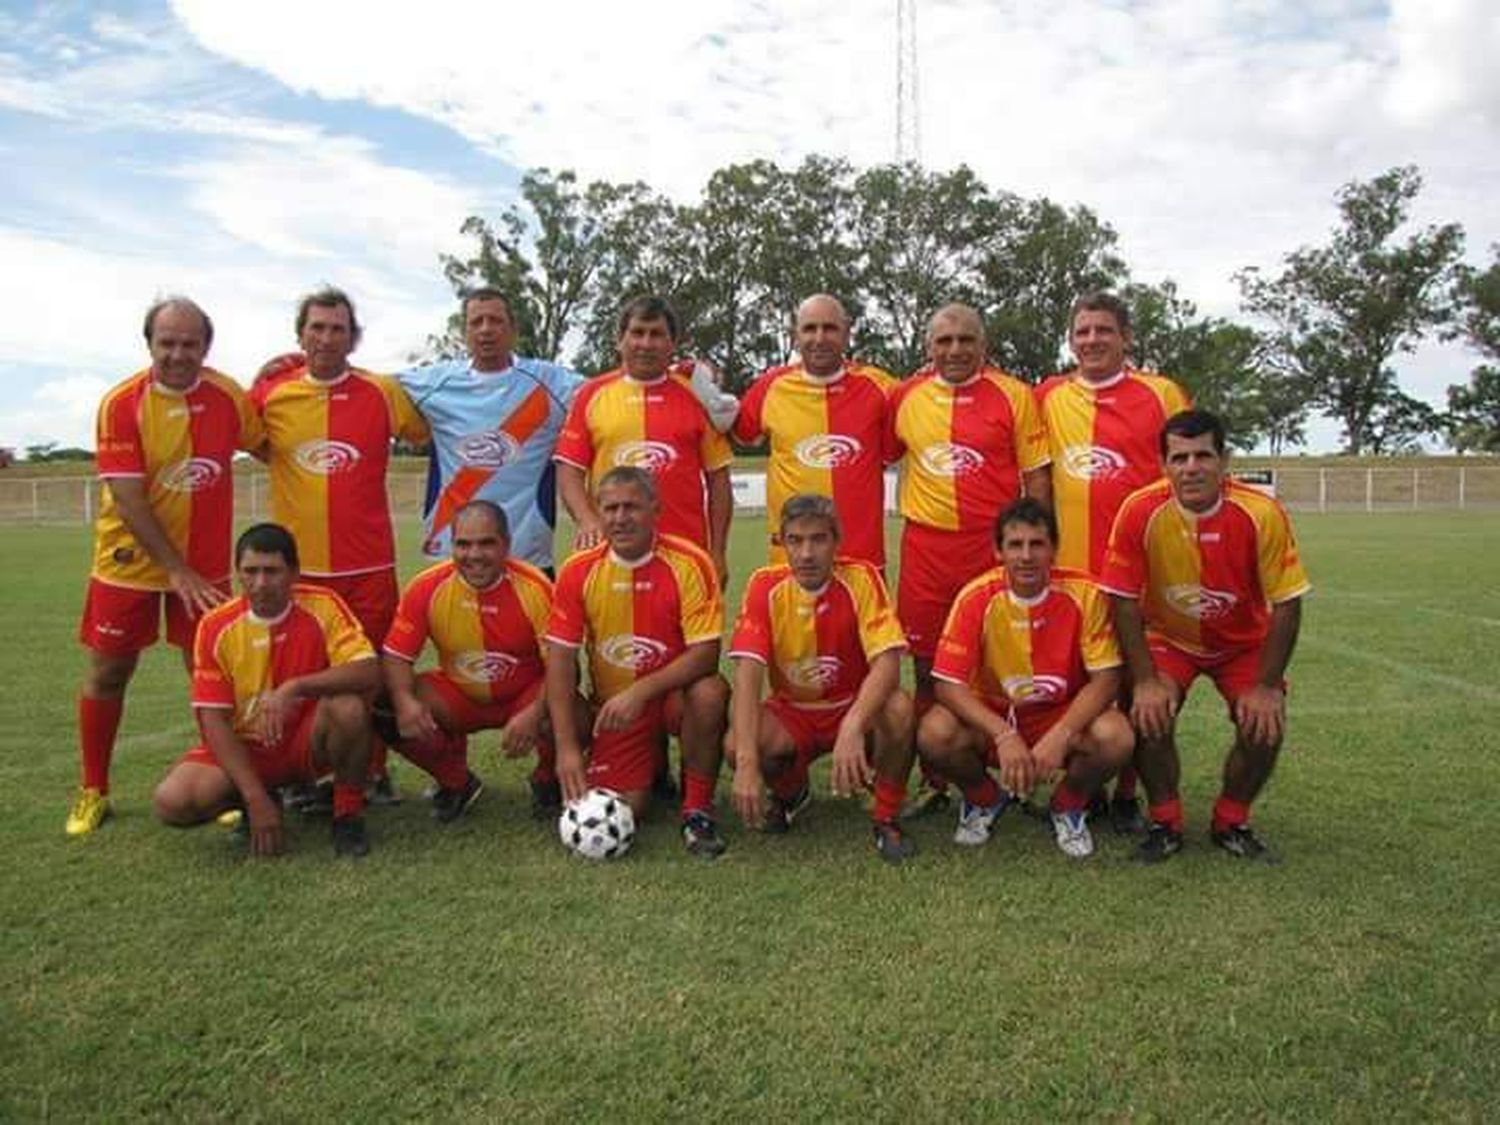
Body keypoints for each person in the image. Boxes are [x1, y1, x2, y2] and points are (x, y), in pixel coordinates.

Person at [67, 297, 264, 837]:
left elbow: (267, 438)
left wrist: (285, 370)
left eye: (189, 344)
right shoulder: (121, 404)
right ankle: (94, 790)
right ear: (149, 343)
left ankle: (220, 782)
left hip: (203, 570)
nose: (178, 354)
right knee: (110, 671)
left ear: (206, 346)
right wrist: (176, 571)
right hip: (126, 564)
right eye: (167, 343)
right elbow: (129, 499)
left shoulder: (227, 397)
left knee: (208, 678)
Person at [1100, 410, 1310, 864]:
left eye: (1202, 456)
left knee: (1264, 725)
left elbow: (1288, 604)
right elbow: (1122, 601)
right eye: (1179, 457)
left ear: (1224, 460)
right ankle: (1166, 822)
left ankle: (1231, 820)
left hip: (1242, 643)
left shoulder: (1261, 513)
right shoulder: (1139, 510)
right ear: (1163, 464)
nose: (1191, 467)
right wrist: (1146, 681)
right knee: (1149, 714)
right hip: (1169, 638)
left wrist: (1267, 686)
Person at [251, 287, 429, 801]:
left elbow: (423, 433)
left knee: (368, 674)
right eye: (317, 327)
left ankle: (371, 772)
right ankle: (303, 775)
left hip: (368, 563)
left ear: (354, 338)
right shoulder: (272, 395)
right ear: (299, 334)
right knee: (299, 675)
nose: (327, 337)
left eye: (338, 329)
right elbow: (251, 440)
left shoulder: (382, 392)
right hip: (299, 569)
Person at [1035, 291, 1191, 832]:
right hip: (1073, 576)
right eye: (1082, 332)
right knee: (1085, 684)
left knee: (1140, 681)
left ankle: (1129, 792)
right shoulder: (1049, 396)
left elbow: (1189, 467)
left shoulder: (1162, 393)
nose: (1092, 340)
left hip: (1145, 572)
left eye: (1103, 330)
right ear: (1071, 339)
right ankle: (1090, 787)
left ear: (1125, 337)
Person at [889, 303, 1052, 816]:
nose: (954, 350)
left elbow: (1038, 478)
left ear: (984, 345)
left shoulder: (1014, 395)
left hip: (991, 549)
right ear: (927, 348)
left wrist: (1040, 544)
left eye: (965, 340)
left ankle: (1012, 764)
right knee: (925, 666)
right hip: (928, 549)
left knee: (999, 661)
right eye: (943, 341)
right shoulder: (904, 396)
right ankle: (936, 779)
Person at [917, 498, 1134, 858]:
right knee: (933, 732)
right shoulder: (975, 597)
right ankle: (985, 799)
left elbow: (1106, 679)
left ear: (1054, 550)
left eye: (1037, 544)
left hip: (1060, 713)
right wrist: (1002, 734)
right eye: (1015, 545)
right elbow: (946, 684)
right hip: (996, 714)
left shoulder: (1086, 593)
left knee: (1117, 736)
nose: (1026, 556)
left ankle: (1068, 805)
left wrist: (1061, 735)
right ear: (998, 551)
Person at [151, 523, 381, 858]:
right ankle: (258, 798)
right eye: (250, 571)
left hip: (306, 741)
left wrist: (295, 687)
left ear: (294, 572)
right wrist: (255, 798)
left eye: (272, 571)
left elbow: (367, 670)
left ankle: (347, 815)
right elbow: (213, 721)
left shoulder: (323, 606)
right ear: (238, 574)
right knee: (173, 801)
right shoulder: (216, 626)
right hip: (249, 747)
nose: (260, 583)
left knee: (348, 707)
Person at [544, 466, 731, 858]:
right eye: (610, 508)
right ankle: (651, 767)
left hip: (670, 698)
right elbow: (560, 661)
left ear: (655, 509)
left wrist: (641, 691)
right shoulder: (578, 570)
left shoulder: (690, 562)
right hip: (615, 710)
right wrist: (566, 749)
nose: (620, 517)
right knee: (630, 806)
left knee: (711, 693)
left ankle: (696, 808)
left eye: (632, 506)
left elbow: (706, 654)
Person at [727, 495, 917, 864]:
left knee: (898, 708)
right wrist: (748, 763)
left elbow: (888, 664)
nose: (807, 553)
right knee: (738, 744)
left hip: (851, 705)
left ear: (836, 542)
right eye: (795, 541)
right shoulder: (765, 586)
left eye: (818, 539)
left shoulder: (861, 578)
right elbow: (748, 675)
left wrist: (853, 725)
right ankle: (791, 793)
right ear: (782, 543)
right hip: (794, 711)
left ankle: (886, 815)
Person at [381, 500, 585, 821]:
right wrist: (405, 700)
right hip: (460, 697)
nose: (474, 555)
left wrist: (534, 711)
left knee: (574, 709)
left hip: (524, 696)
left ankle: (548, 780)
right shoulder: (426, 588)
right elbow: (396, 657)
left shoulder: (536, 588)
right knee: (385, 705)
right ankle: (456, 782)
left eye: (486, 543)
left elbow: (565, 669)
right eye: (463, 544)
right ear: (452, 545)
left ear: (506, 544)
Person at [397, 287, 584, 572]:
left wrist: (672, 376)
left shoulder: (553, 383)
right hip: (451, 553)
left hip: (527, 557)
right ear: (465, 331)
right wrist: (303, 372)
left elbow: (616, 390)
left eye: (495, 321)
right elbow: (367, 388)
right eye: (477, 322)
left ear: (513, 329)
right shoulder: (432, 383)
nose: (486, 330)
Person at [555, 296, 734, 584]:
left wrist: (718, 551)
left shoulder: (697, 396)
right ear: (620, 340)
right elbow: (569, 471)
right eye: (637, 333)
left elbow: (719, 479)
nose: (646, 343)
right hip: (610, 554)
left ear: (672, 344)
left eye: (657, 334)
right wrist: (588, 520)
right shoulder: (591, 395)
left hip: (685, 557)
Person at [731, 294, 895, 568]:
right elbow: (737, 433)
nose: (819, 338)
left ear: (846, 333)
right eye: (809, 328)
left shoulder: (881, 388)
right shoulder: (770, 387)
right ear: (795, 335)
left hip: (861, 559)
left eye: (830, 328)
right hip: (791, 559)